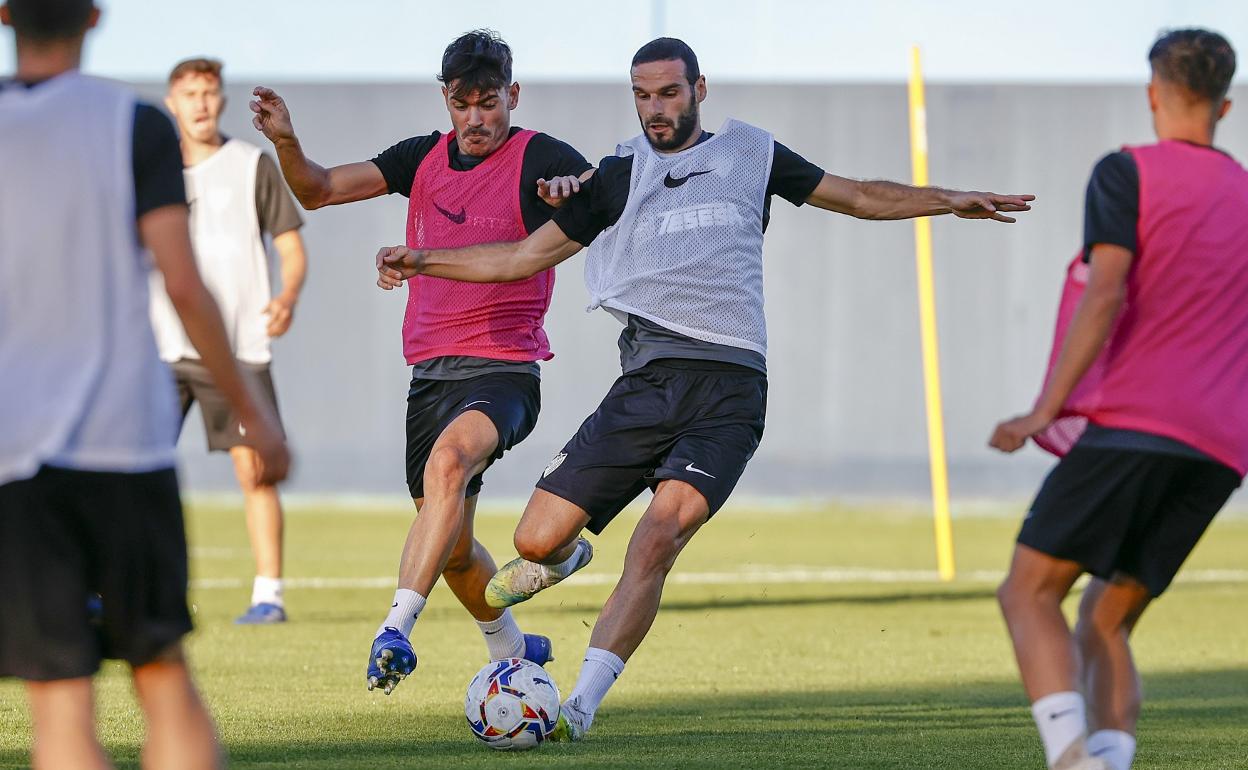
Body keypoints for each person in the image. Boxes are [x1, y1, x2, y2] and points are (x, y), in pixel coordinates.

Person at [375, 36, 1033, 740]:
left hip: (730, 390)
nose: (656, 108)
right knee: (532, 542)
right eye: (642, 95)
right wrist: (424, 260)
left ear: (699, 89)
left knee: (658, 537)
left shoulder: (750, 153)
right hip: (647, 384)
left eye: (669, 92)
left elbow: (861, 196)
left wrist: (947, 199)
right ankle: (563, 558)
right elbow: (517, 259)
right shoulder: (617, 175)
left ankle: (579, 709)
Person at [248, 29, 591, 693]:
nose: (475, 117)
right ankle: (515, 647)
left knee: (448, 464)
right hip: (429, 375)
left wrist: (571, 184)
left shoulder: (537, 156)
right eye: (462, 104)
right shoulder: (420, 160)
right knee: (455, 550)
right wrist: (287, 142)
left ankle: (395, 628)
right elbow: (317, 190)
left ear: (511, 96)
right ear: (446, 102)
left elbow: (597, 188)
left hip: (504, 369)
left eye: (488, 102)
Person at [0, 1, 290, 768]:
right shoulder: (135, 125)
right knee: (163, 675)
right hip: (124, 439)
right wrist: (256, 412)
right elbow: (185, 285)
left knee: (57, 701)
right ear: (95, 17)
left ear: (3, 16)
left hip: (16, 452)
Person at [990, 29, 1244, 770]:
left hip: (1138, 424)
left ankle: (1072, 760)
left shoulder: (1126, 172)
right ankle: (1109, 760)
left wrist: (1045, 410)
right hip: (1221, 450)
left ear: (1152, 93)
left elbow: (1105, 294)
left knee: (1027, 592)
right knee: (1104, 619)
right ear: (1225, 103)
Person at [152, 56, 309, 625]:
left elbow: (290, 248)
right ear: (173, 101)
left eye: (209, 92)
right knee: (135, 469)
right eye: (189, 92)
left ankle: (268, 593)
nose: (199, 102)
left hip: (239, 347)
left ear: (221, 100)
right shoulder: (153, 168)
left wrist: (286, 295)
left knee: (254, 469)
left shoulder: (251, 165)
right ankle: (126, 586)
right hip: (162, 347)